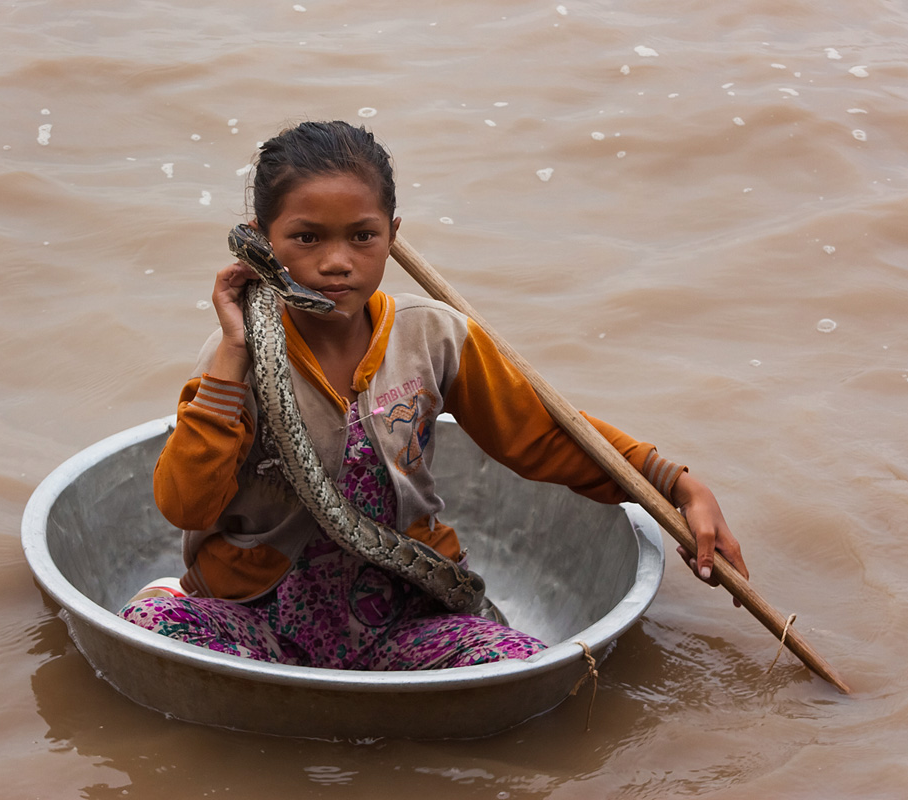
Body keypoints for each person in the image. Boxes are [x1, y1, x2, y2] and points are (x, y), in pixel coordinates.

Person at [119, 120, 748, 670]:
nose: (337, 262)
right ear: (262, 239)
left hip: (403, 612)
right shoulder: (236, 354)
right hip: (258, 615)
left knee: (524, 664)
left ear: (392, 233)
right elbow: (186, 504)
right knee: (146, 629)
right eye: (307, 238)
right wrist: (233, 356)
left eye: (362, 236)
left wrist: (674, 483)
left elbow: (542, 434)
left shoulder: (433, 335)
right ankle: (172, 594)